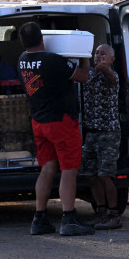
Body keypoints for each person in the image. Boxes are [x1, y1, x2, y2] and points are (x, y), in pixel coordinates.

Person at [17, 21, 93, 236]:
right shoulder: (52, 60)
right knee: (69, 169)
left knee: (47, 169)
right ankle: (69, 218)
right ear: (42, 39)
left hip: (39, 122)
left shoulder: (22, 60)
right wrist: (83, 54)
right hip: (61, 121)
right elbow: (83, 76)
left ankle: (39, 218)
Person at [80, 44, 122, 230]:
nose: (98, 56)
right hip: (91, 133)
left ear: (112, 59)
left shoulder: (112, 76)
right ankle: (101, 213)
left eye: (103, 54)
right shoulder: (88, 75)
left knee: (106, 175)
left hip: (108, 132)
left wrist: (104, 69)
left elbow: (111, 79)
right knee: (90, 174)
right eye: (96, 53)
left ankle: (114, 215)